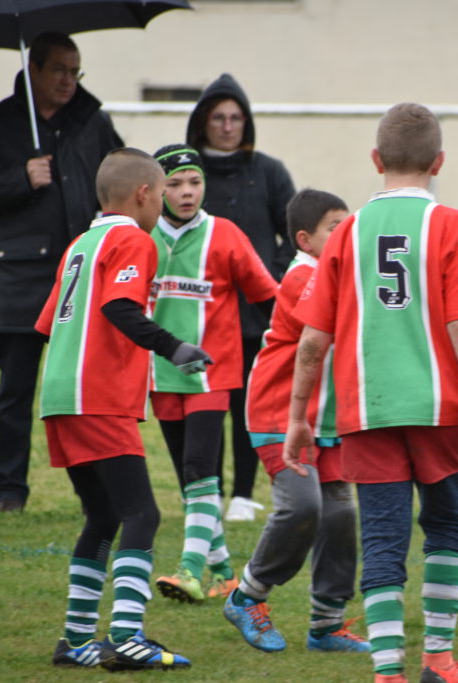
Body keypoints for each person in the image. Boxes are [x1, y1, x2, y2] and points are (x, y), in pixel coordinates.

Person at [283, 103, 458, 683]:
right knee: (447, 527)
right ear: (440, 162)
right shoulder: (453, 226)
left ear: (376, 160)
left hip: (365, 408)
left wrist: (299, 416)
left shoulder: (347, 232)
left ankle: (386, 672)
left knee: (382, 536)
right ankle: (440, 660)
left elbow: (312, 340)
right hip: (439, 406)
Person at [37, 148, 209, 671]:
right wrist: (174, 347)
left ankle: (75, 641)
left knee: (105, 514)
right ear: (144, 194)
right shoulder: (133, 238)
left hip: (61, 396)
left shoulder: (80, 244)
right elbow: (117, 307)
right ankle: (127, 637)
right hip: (98, 396)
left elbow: (48, 324)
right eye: (161, 193)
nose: (162, 204)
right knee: (143, 513)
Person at [0, 31, 123, 514]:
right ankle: (10, 492)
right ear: (35, 72)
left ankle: (96, 490)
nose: (69, 81)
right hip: (22, 279)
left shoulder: (94, 122)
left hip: (84, 277)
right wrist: (19, 179)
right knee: (15, 391)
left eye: (76, 71)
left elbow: (123, 179)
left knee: (86, 390)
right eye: (60, 71)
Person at [225, 188, 368, 654]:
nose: (345, 234)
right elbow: (338, 323)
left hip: (324, 419)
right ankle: (247, 595)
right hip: (278, 414)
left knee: (341, 513)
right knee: (302, 507)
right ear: (305, 240)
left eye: (349, 225)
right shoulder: (302, 276)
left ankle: (326, 624)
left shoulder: (338, 275)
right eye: (334, 227)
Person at [147, 144, 278, 605]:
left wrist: (298, 340)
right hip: (159, 377)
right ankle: (224, 572)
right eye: (175, 183)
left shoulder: (225, 235)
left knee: (200, 470)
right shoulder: (141, 238)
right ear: (157, 189)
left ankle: (190, 570)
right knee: (192, 483)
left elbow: (269, 299)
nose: (186, 192)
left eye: (195, 182)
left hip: (212, 376)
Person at [186, 73, 297, 522]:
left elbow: (293, 235)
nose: (228, 126)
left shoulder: (269, 172)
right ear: (203, 122)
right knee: (206, 406)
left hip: (256, 316)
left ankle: (244, 497)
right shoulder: (189, 174)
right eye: (219, 117)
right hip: (202, 314)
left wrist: (271, 279)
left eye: (236, 118)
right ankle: (205, 494)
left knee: (248, 404)